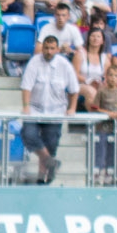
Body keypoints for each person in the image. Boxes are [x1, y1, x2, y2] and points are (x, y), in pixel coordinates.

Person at [21, 33, 79, 185]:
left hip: (55, 111)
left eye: (52, 48)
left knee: (51, 144)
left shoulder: (65, 65)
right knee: (28, 135)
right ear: (42, 48)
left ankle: (43, 177)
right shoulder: (34, 62)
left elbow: (74, 89)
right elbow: (26, 86)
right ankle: (51, 162)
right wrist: (26, 106)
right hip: (35, 109)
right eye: (46, 48)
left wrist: (72, 108)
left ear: (58, 49)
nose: (49, 51)